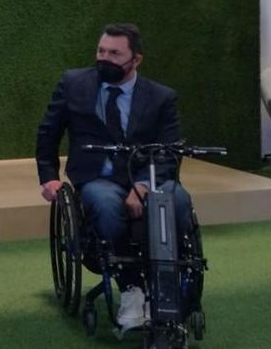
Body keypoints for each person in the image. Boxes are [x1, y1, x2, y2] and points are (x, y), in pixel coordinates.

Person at [35, 22, 191, 330]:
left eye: (115, 53)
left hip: (147, 176)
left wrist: (144, 186)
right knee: (105, 203)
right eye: (100, 51)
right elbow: (48, 133)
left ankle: (171, 281)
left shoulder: (161, 97)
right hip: (97, 178)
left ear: (136, 60)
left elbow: (170, 150)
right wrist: (49, 176)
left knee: (179, 199)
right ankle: (132, 286)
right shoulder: (73, 83)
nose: (104, 58)